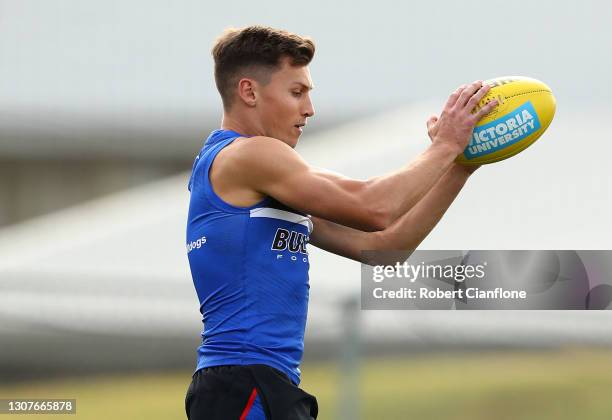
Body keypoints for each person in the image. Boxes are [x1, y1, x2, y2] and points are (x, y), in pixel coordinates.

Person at [184, 25, 497, 420]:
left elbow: (384, 248)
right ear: (249, 92)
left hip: (258, 383)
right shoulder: (250, 155)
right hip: (244, 384)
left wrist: (458, 167)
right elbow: (373, 206)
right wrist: (445, 144)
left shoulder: (266, 172)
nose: (309, 108)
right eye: (297, 92)